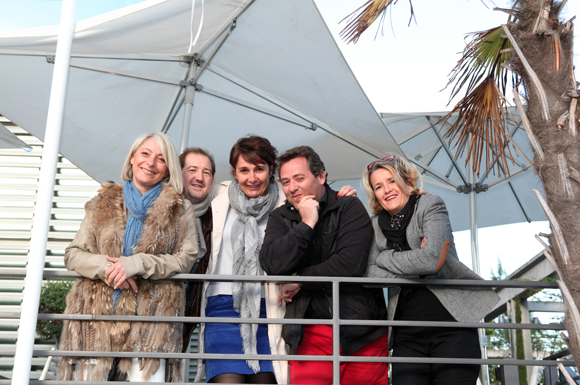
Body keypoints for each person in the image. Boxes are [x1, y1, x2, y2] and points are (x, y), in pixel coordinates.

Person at [57, 133, 199, 382]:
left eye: (161, 159)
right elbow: (73, 255)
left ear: (167, 170)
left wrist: (137, 264)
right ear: (132, 158)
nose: (151, 163)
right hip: (95, 317)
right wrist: (110, 268)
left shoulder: (180, 208)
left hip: (151, 319)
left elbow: (186, 259)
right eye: (145, 153)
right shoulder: (103, 201)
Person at [363, 154, 500, 385]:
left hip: (452, 327)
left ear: (408, 181)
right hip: (406, 332)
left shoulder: (430, 205)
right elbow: (368, 274)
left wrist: (386, 257)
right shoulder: (375, 224)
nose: (386, 190)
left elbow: (433, 260)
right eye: (378, 186)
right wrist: (417, 259)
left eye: (392, 181)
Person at [260, 146, 389, 385]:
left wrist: (299, 279)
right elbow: (271, 263)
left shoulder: (348, 206)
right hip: (308, 333)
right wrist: (307, 222)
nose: (291, 187)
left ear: (321, 176)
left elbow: (350, 264)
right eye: (285, 181)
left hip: (363, 330)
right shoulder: (280, 217)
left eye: (299, 178)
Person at [179, 147, 215, 352]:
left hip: (188, 313)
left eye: (206, 172)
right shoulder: (161, 209)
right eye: (192, 170)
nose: (199, 177)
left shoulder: (218, 214)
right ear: (179, 173)